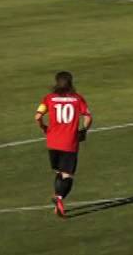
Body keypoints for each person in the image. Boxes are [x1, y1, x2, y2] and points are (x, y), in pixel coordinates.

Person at [35, 71, 92, 218]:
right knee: (68, 175)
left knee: (59, 172)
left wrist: (43, 127)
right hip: (69, 142)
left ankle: (57, 201)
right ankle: (59, 198)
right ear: (71, 83)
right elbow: (88, 117)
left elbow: (38, 116)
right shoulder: (77, 99)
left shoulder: (49, 98)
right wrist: (84, 129)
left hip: (52, 141)